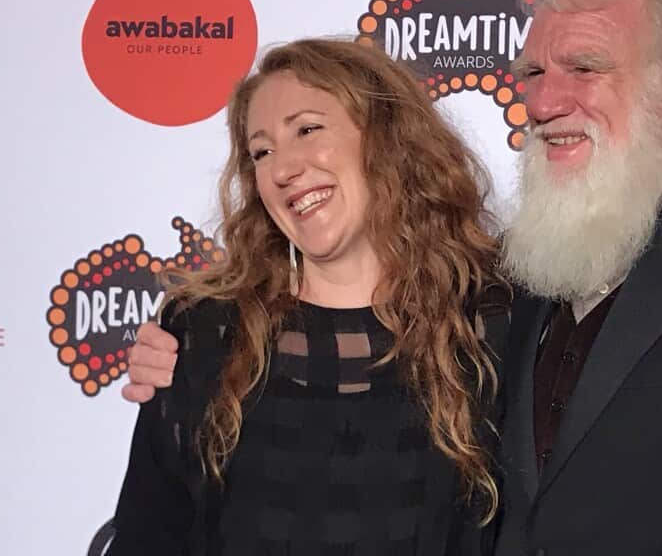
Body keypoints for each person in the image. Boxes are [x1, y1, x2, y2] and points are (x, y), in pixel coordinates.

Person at [125, 0, 662, 556]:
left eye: (585, 68)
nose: (547, 100)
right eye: (533, 73)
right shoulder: (512, 284)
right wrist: (179, 343)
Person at [108, 38, 510, 556]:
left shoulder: (493, 322)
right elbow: (149, 533)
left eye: (307, 129)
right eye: (262, 151)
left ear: (386, 138)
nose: (283, 168)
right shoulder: (204, 331)